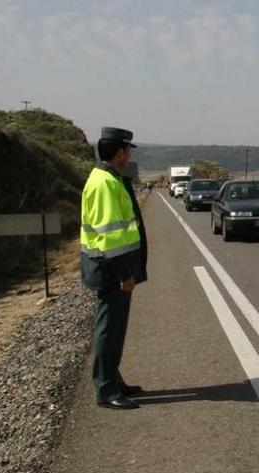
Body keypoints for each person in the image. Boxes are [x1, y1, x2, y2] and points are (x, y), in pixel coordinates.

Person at [80, 127, 147, 410]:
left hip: (112, 267)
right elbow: (110, 236)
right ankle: (106, 389)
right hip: (112, 269)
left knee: (116, 328)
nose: (129, 154)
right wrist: (124, 274)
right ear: (119, 152)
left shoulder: (110, 179)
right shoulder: (106, 183)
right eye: (128, 150)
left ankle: (113, 379)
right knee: (109, 328)